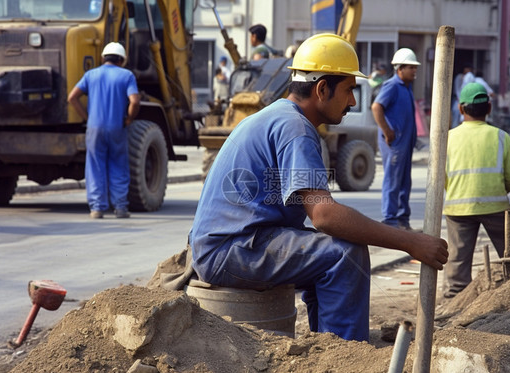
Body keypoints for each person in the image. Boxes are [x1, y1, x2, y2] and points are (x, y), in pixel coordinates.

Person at [188, 34, 448, 342]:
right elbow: (324, 215)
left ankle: (325, 344)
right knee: (344, 253)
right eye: (349, 89)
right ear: (322, 89)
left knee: (329, 251)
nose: (352, 101)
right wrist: (410, 242)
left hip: (228, 244)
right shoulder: (296, 128)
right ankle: (345, 355)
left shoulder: (280, 117)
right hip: (228, 250)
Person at [443, 82, 510, 298]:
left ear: (461, 109)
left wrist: (456, 191)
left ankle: (455, 298)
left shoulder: (448, 138)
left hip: (458, 208)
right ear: (489, 108)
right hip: (496, 206)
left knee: (457, 260)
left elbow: (439, 176)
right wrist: (497, 190)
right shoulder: (500, 136)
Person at [67, 42, 140, 219]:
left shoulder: (91, 75)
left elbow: (72, 97)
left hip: (94, 128)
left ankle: (97, 208)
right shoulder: (126, 75)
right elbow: (135, 101)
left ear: (102, 58)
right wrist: (129, 119)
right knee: (118, 164)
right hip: (117, 128)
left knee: (95, 166)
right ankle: (121, 208)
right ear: (122, 60)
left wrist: (86, 117)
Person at [371, 48, 420, 231]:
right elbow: (376, 107)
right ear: (400, 69)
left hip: (405, 143)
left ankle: (402, 219)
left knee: (404, 182)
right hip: (395, 143)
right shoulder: (392, 86)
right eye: (410, 68)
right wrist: (387, 131)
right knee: (393, 181)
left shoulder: (406, 88)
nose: (414, 71)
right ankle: (390, 220)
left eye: (415, 68)